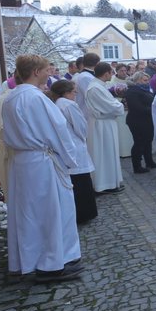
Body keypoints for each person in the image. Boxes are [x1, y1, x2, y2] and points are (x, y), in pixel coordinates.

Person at [0, 54, 83, 283]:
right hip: (42, 163)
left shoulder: (11, 97)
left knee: (31, 214)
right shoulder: (35, 99)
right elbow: (56, 131)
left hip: (24, 163)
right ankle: (50, 264)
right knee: (49, 213)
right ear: (35, 71)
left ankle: (37, 258)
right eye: (47, 69)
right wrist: (69, 158)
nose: (51, 73)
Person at [49, 80, 98, 225]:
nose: (75, 95)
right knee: (81, 182)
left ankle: (79, 213)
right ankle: (85, 213)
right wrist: (84, 136)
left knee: (75, 181)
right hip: (74, 145)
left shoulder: (57, 104)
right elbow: (81, 127)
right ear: (66, 92)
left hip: (66, 146)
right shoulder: (69, 105)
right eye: (74, 92)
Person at [84, 62, 124, 193]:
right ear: (106, 73)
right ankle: (104, 184)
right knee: (103, 154)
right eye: (111, 73)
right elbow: (112, 106)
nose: (111, 75)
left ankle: (112, 181)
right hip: (101, 126)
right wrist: (120, 104)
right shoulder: (95, 88)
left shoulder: (99, 86)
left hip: (106, 123)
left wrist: (116, 104)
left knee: (109, 153)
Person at [125, 71, 156, 173]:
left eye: (147, 80)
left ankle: (149, 162)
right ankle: (137, 166)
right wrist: (153, 109)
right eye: (145, 80)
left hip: (147, 119)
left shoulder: (144, 89)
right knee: (139, 142)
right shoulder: (132, 91)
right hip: (137, 120)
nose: (147, 82)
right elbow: (137, 107)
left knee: (148, 141)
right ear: (137, 80)